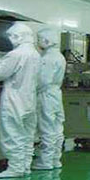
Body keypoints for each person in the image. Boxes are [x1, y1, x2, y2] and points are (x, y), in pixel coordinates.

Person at [0, 23, 41, 178]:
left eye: (12, 36)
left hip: (15, 100)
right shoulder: (35, 54)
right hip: (30, 99)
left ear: (19, 36)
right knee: (27, 135)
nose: (11, 39)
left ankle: (15, 168)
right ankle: (24, 166)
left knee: (12, 134)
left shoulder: (16, 54)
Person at [32, 27, 65, 170]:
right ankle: (55, 160)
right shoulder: (59, 56)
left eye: (39, 39)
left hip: (46, 95)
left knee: (46, 128)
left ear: (46, 40)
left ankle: (45, 162)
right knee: (57, 128)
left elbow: (43, 81)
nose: (38, 43)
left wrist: (30, 89)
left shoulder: (47, 58)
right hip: (56, 94)